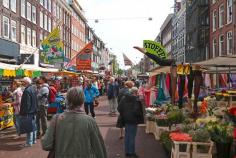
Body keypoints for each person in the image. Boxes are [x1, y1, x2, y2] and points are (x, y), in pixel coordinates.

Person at [41, 87, 107, 158]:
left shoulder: (56, 119)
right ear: (82, 101)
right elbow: (99, 149)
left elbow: (46, 144)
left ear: (67, 100)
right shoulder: (90, 121)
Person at [118, 87, 144, 158]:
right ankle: (131, 152)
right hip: (133, 120)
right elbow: (137, 111)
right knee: (132, 136)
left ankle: (127, 152)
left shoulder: (124, 98)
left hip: (126, 119)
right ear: (135, 92)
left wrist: (124, 114)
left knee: (127, 136)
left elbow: (119, 108)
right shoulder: (135, 99)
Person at [20, 77, 38, 147]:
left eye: (23, 82)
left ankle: (29, 142)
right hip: (33, 110)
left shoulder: (27, 90)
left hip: (29, 112)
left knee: (29, 128)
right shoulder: (33, 89)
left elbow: (26, 103)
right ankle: (33, 140)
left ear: (26, 82)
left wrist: (24, 112)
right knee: (33, 127)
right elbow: (35, 100)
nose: (22, 83)